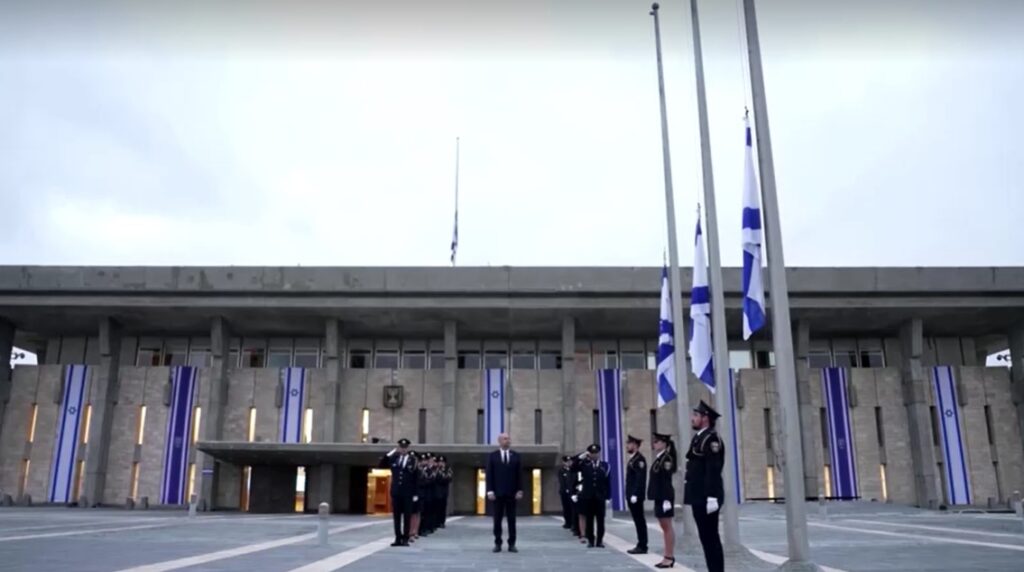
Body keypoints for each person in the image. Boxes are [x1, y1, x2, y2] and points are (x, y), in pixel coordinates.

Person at [685, 400, 725, 572]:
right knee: (706, 539)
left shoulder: (711, 439)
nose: (692, 418)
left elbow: (713, 468)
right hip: (697, 495)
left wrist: (712, 497)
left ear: (705, 418)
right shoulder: (699, 437)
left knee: (711, 539)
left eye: (696, 415)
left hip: (706, 496)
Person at [485, 432, 523, 553]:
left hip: (512, 494)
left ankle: (512, 544)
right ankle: (498, 543)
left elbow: (519, 475)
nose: (508, 440)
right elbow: (489, 475)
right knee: (497, 520)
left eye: (509, 439)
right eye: (505, 439)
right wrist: (490, 491)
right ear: (500, 441)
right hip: (497, 494)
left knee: (512, 520)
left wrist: (520, 490)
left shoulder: (516, 456)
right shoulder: (493, 456)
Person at [378, 438, 418, 547]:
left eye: (405, 448)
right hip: (396, 492)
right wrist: (390, 453)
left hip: (408, 493)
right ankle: (397, 538)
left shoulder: (413, 460)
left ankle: (405, 538)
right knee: (396, 517)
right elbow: (381, 465)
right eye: (401, 447)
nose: (403, 449)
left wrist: (415, 493)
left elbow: (416, 478)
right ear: (399, 448)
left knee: (407, 516)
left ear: (408, 449)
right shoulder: (394, 458)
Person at [648, 431, 678, 568]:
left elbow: (666, 480)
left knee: (667, 527)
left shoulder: (666, 459)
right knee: (664, 526)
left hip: (664, 496)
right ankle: (667, 556)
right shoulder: (660, 458)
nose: (654, 443)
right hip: (660, 496)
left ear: (664, 444)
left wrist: (666, 500)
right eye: (654, 441)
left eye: (657, 441)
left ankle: (669, 557)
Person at [578, 444, 610, 548]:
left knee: (600, 520)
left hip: (600, 497)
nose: (594, 455)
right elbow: (573, 467)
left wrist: (608, 497)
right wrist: (581, 456)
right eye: (592, 453)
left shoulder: (605, 466)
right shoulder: (585, 465)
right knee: (590, 520)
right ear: (589, 454)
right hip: (588, 497)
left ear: (599, 454)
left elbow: (608, 482)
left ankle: (600, 540)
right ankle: (591, 540)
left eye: (596, 453)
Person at [625, 434, 649, 554]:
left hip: (636, 496)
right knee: (637, 520)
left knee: (640, 520)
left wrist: (635, 494)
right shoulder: (633, 459)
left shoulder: (639, 460)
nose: (627, 446)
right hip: (631, 495)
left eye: (629, 444)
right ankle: (641, 543)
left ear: (635, 445)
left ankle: (643, 545)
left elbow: (640, 478)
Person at [557, 456, 574, 530]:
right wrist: (566, 489)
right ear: (563, 462)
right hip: (564, 492)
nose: (568, 463)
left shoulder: (573, 470)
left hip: (572, 492)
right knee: (566, 508)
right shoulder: (561, 470)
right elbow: (562, 481)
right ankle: (567, 522)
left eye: (569, 461)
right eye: (567, 461)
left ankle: (573, 523)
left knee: (572, 508)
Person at [436, 455, 452, 529]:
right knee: (436, 508)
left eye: (442, 462)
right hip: (436, 492)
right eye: (439, 462)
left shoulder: (448, 469)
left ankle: (442, 522)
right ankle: (436, 521)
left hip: (444, 492)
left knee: (443, 508)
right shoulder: (435, 469)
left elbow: (449, 478)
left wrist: (442, 478)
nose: (441, 463)